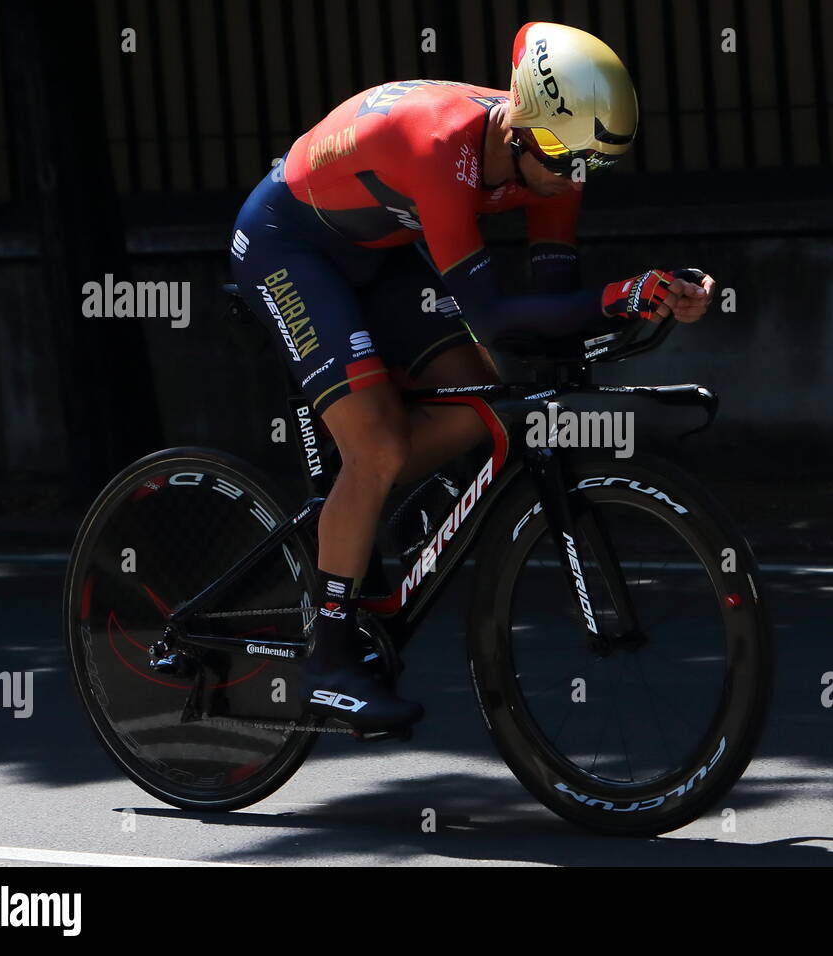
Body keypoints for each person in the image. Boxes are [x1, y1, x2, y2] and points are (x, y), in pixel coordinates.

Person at [228, 21, 715, 732]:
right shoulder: (440, 146)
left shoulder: (556, 151)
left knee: (486, 401)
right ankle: (329, 660)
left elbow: (551, 307)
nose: (574, 179)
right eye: (565, 160)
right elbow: (493, 315)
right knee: (379, 446)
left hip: (379, 247)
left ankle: (366, 517)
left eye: (594, 166)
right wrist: (619, 295)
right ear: (521, 130)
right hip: (288, 243)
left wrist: (661, 297)